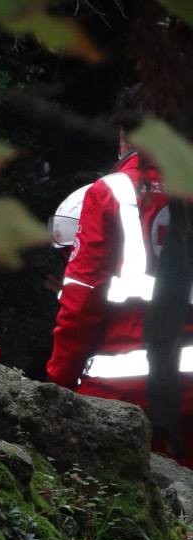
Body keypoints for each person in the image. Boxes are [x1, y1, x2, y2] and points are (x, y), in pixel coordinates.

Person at [45, 92, 193, 464]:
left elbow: (82, 298)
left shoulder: (110, 192)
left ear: (124, 136)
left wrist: (58, 384)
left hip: (122, 397)